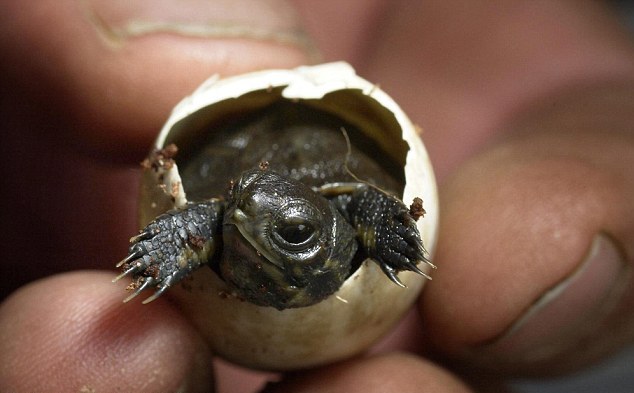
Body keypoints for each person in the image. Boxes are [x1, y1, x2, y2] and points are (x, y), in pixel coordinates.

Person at [1, 1, 633, 392]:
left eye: (291, 233)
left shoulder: (356, 212)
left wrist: (395, 236)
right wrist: (176, 242)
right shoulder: (232, 216)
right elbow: (215, 219)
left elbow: (369, 205)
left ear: (328, 233)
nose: (247, 223)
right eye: (242, 215)